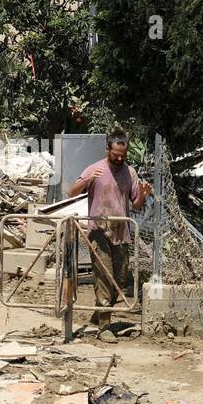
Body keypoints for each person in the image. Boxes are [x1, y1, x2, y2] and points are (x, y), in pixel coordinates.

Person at [67, 129, 152, 343]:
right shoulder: (95, 169)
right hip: (98, 232)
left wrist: (143, 195)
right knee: (104, 277)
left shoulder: (130, 172)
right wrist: (87, 182)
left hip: (121, 232)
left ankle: (100, 312)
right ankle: (104, 327)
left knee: (120, 281)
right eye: (116, 154)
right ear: (108, 149)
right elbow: (71, 192)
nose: (120, 158)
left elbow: (136, 205)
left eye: (123, 154)